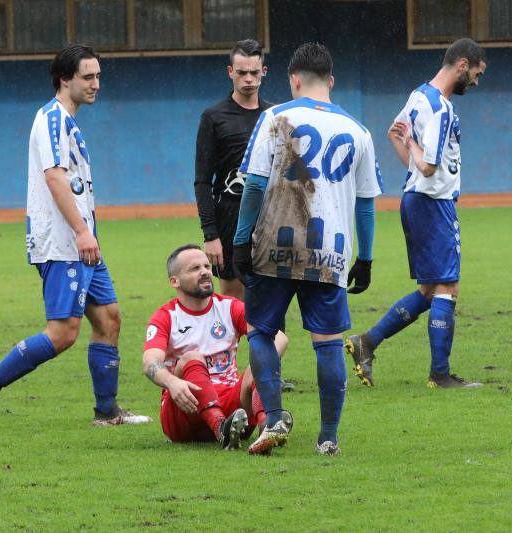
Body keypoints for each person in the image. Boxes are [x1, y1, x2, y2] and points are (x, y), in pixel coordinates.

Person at [0, 44, 151, 431]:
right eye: (88, 76)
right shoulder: (51, 119)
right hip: (64, 243)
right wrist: (82, 232)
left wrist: (88, 234)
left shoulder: (68, 121)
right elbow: (54, 177)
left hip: (83, 243)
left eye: (98, 75)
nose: (96, 83)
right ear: (65, 79)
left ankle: (107, 412)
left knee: (110, 319)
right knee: (63, 333)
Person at [233, 42, 383, 456]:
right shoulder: (359, 131)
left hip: (276, 243)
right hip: (329, 250)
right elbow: (366, 203)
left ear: (293, 80)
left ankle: (276, 415)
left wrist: (241, 240)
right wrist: (365, 258)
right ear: (330, 81)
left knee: (261, 331)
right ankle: (328, 436)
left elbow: (256, 184)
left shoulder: (274, 117)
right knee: (329, 342)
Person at [345, 38, 487, 390]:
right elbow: (426, 167)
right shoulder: (439, 108)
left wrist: (408, 146)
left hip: (416, 200)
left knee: (428, 289)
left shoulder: (418, 95)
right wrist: (413, 147)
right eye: (477, 74)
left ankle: (367, 342)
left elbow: (394, 134)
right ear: (462, 65)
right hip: (432, 203)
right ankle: (440, 374)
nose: (476, 82)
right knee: (447, 287)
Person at [142, 244, 288, 449]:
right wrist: (172, 383)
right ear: (174, 281)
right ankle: (221, 428)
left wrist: (261, 365)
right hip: (185, 409)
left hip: (234, 411)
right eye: (194, 269)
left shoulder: (229, 307)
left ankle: (269, 425)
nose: (204, 272)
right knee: (192, 358)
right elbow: (150, 362)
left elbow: (279, 338)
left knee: (259, 365)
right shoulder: (166, 316)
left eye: (207, 266)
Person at [194, 39, 272, 301]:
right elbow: (202, 181)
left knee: (272, 302)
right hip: (230, 217)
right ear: (231, 72)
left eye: (254, 72)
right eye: (241, 73)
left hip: (271, 218)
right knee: (233, 304)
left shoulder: (276, 116)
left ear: (264, 71)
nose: (248, 79)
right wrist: (211, 235)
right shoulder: (214, 117)